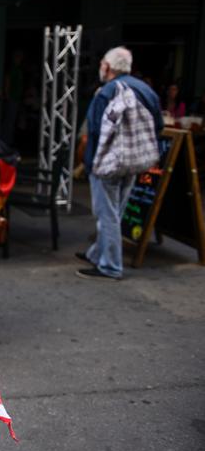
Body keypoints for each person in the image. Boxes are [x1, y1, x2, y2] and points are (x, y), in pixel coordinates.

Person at [77, 47, 162, 281]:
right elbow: (159, 126)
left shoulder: (107, 92)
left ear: (108, 67)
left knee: (107, 214)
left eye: (102, 63)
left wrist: (89, 164)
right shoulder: (146, 90)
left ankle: (110, 266)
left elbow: (93, 131)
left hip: (107, 163)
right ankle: (96, 254)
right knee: (116, 212)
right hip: (135, 162)